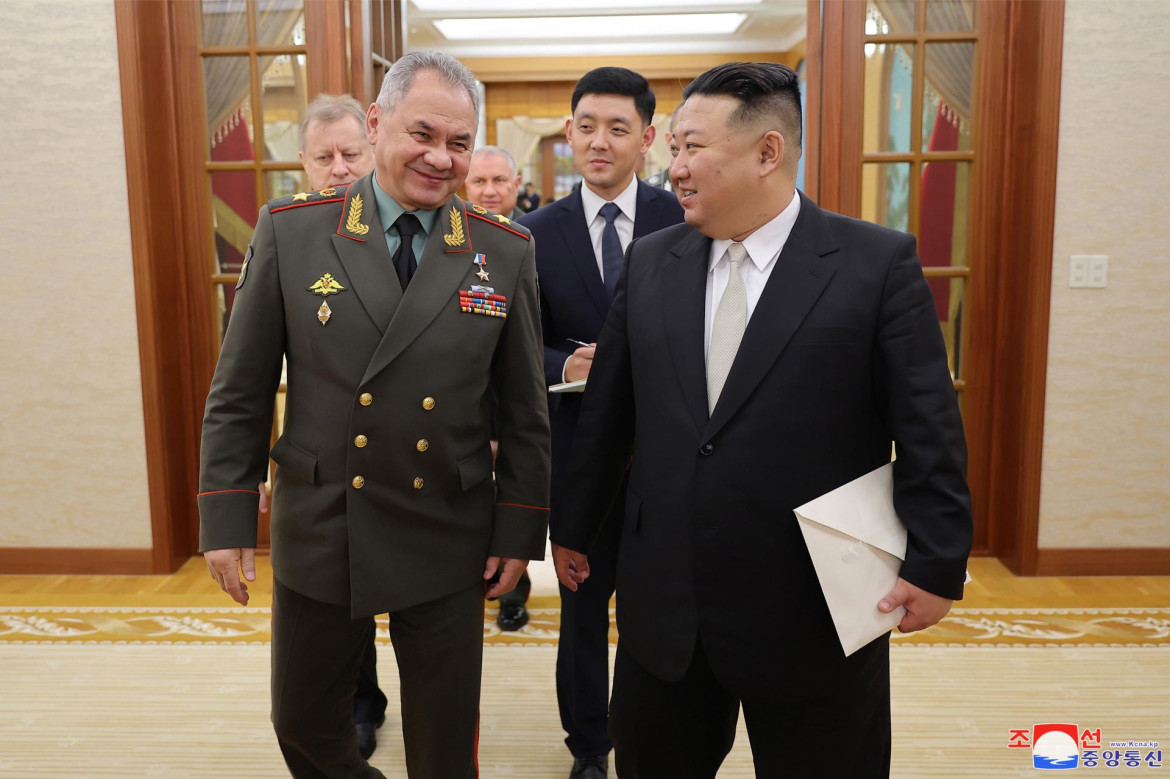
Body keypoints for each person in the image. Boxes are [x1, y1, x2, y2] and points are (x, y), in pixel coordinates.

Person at [551, 62, 972, 778]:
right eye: (673, 148)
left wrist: (936, 564)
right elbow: (609, 416)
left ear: (767, 152)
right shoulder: (652, 263)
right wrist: (575, 528)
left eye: (691, 148)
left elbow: (929, 427)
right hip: (667, 605)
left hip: (816, 603)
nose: (672, 168)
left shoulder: (874, 264)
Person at [199, 50, 551, 778]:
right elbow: (241, 388)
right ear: (376, 121)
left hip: (448, 525)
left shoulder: (502, 250)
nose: (440, 157)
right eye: (423, 133)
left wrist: (518, 527)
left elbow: (525, 411)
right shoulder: (293, 232)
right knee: (299, 719)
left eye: (459, 143)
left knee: (444, 744)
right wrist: (226, 514)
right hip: (326, 514)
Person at [518, 66, 684, 779]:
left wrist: (620, 358)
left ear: (648, 139)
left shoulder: (685, 221)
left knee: (656, 606)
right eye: (586, 125)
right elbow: (520, 340)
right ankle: (588, 743)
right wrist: (570, 361)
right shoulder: (532, 232)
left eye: (618, 128)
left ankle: (650, 733)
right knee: (582, 606)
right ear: (569, 131)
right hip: (576, 448)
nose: (599, 141)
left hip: (662, 454)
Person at [291, 92, 387, 761]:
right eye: (323, 157)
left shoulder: (418, 230)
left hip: (413, 460)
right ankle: (362, 699)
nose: (338, 168)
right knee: (342, 606)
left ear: (373, 150)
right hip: (331, 463)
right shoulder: (289, 239)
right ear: (303, 164)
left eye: (351, 153)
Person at [463, 144, 532, 632]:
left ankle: (514, 594)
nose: (489, 192)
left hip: (517, 404)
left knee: (512, 500)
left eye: (498, 182)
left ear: (517, 184)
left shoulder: (528, 241)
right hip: (463, 412)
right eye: (479, 182)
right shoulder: (451, 240)